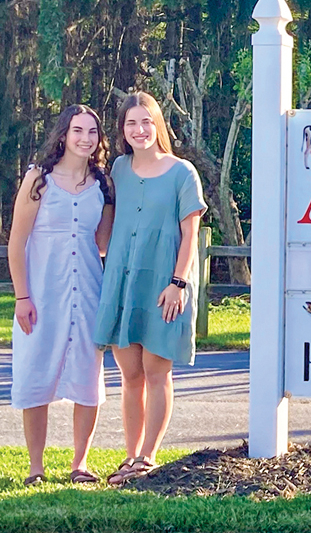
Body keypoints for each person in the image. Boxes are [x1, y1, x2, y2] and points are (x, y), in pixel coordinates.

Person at [95, 92, 207, 486]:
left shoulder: (182, 172)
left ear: (158, 124)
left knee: (156, 371)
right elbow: (104, 228)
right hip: (123, 284)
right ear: (123, 131)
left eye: (146, 122)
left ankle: (148, 456)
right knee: (130, 376)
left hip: (164, 286)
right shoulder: (119, 170)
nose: (139, 130)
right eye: (131, 124)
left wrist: (177, 283)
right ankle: (130, 456)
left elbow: (190, 233)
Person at [8, 105, 114, 485]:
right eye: (77, 130)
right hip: (42, 292)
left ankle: (79, 463)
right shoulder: (39, 180)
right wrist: (23, 296)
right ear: (63, 135)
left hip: (87, 290)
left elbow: (102, 243)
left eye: (92, 132)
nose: (85, 138)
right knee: (36, 372)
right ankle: (36, 467)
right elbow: (16, 243)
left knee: (88, 376)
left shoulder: (102, 185)